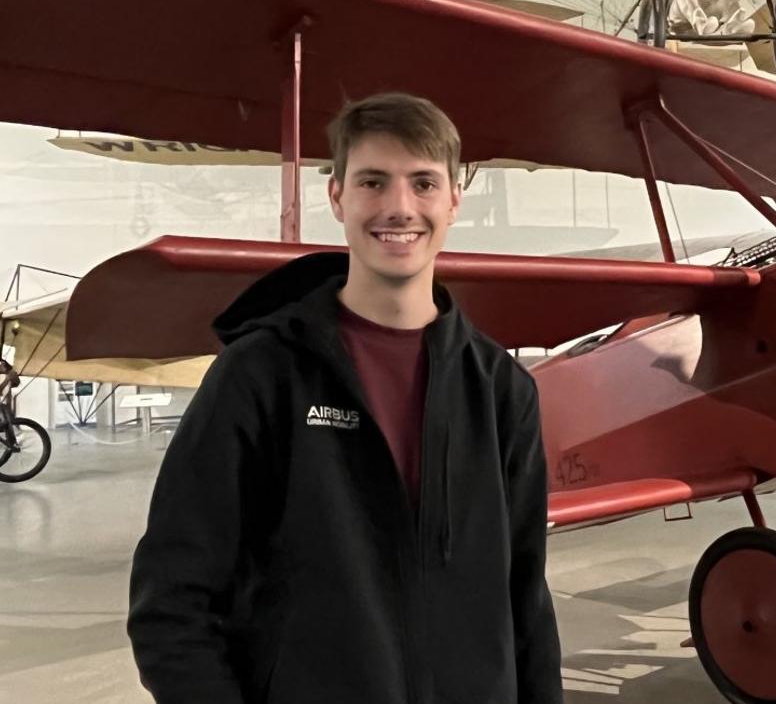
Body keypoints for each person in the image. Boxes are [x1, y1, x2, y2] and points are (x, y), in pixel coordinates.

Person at [128, 93, 563, 704]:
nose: (399, 207)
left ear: (454, 200)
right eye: (373, 182)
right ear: (336, 195)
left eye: (423, 183)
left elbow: (526, 602)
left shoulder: (503, 392)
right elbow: (171, 600)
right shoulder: (259, 375)